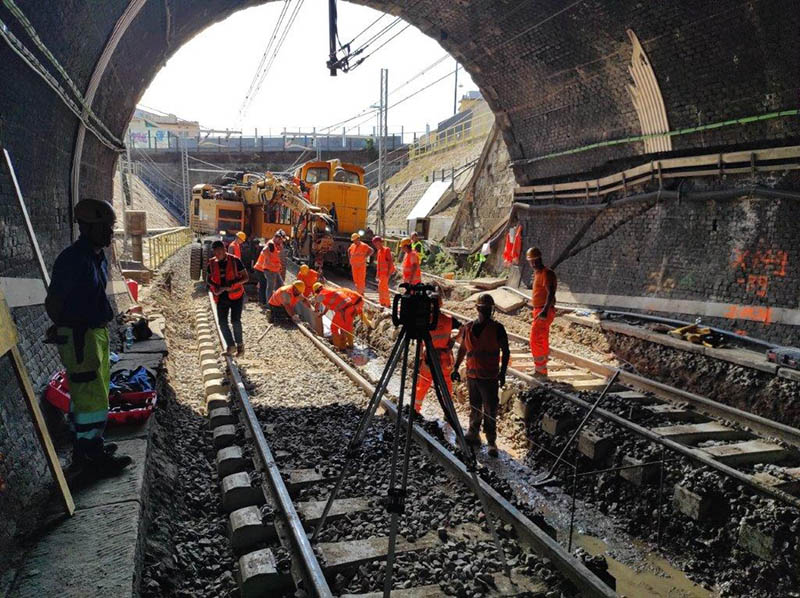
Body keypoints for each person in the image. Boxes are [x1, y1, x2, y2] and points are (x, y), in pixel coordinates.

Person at [46, 198, 132, 475]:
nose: (110, 233)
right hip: (80, 337)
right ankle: (88, 457)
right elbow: (54, 302)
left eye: (110, 227)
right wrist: (67, 326)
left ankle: (92, 446)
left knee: (96, 393)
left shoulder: (97, 257)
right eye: (104, 227)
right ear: (87, 227)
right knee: (88, 397)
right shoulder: (72, 260)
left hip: (95, 333)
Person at [452, 294, 509, 457]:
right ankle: (473, 433)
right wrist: (456, 367)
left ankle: (491, 441)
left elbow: (506, 352)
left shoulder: (497, 328)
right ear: (478, 308)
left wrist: (502, 373)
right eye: (483, 308)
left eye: (487, 308)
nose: (485, 311)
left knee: (490, 409)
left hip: (489, 377)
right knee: (475, 406)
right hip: (472, 375)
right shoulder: (468, 327)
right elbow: (463, 349)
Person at [414, 285, 461, 413]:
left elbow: (419, 343)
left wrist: (418, 359)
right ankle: (449, 413)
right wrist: (453, 340)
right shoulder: (449, 320)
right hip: (445, 360)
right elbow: (465, 328)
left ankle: (415, 410)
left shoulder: (424, 321)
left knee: (422, 385)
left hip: (429, 359)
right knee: (446, 387)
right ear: (440, 304)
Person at [208, 240, 248, 355]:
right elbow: (208, 279)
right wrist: (215, 287)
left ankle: (240, 346)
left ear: (224, 250)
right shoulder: (211, 263)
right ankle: (231, 346)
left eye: (220, 252)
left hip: (236, 295)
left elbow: (245, 277)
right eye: (216, 253)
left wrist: (232, 283)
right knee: (222, 322)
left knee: (235, 321)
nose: (218, 255)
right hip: (222, 297)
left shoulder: (235, 261)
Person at [526, 246, 557, 377]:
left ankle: (540, 370)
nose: (533, 263)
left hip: (544, 311)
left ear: (540, 259)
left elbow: (551, 293)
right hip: (539, 310)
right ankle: (541, 368)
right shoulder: (538, 273)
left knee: (536, 339)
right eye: (531, 261)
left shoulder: (546, 273)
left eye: (535, 260)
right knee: (541, 338)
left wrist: (544, 311)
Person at [312, 283, 363, 350]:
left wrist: (315, 312)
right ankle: (349, 346)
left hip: (342, 311)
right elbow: (328, 305)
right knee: (346, 328)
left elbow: (317, 304)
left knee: (334, 328)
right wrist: (323, 313)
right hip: (351, 307)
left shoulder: (322, 293)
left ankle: (338, 347)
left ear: (316, 291)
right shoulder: (330, 290)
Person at [253, 233, 283, 305]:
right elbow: (265, 250)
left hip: (271, 269)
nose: (281, 242)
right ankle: (266, 303)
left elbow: (275, 255)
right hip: (266, 269)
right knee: (267, 286)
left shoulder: (274, 244)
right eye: (280, 240)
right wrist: (269, 261)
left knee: (270, 285)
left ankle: (268, 301)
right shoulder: (271, 243)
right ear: (276, 238)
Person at [372, 235, 395, 307]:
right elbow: (379, 264)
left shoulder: (386, 250)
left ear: (380, 242)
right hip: (381, 274)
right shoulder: (379, 251)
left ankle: (387, 304)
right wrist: (377, 274)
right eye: (375, 244)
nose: (376, 245)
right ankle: (382, 303)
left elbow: (390, 262)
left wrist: (389, 273)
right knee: (381, 288)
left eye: (377, 243)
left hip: (386, 273)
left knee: (384, 288)